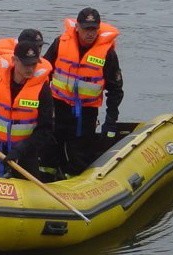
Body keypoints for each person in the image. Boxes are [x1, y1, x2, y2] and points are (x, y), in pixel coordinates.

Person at [41, 7, 124, 176]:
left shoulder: (107, 53)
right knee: (50, 149)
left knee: (79, 154)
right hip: (58, 106)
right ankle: (46, 177)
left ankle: (74, 183)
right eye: (86, 28)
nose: (90, 33)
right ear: (77, 27)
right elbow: (43, 73)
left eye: (94, 29)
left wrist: (111, 120)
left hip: (86, 113)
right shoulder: (60, 43)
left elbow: (115, 89)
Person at [0, 41, 54, 180]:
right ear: (14, 60)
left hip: (24, 152)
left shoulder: (42, 90)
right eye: (26, 64)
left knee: (31, 189)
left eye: (33, 64)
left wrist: (23, 148)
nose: (30, 68)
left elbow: (45, 130)